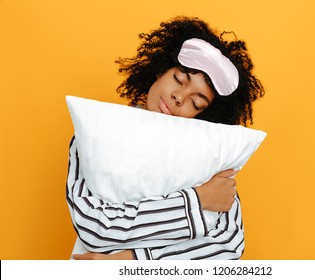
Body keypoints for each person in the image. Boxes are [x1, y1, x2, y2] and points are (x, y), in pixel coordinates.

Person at [66, 16, 264, 260]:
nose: (180, 97)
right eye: (179, 79)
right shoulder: (99, 130)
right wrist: (197, 200)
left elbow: (228, 244)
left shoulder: (207, 151)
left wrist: (129, 260)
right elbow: (95, 226)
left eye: (196, 102)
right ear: (160, 70)